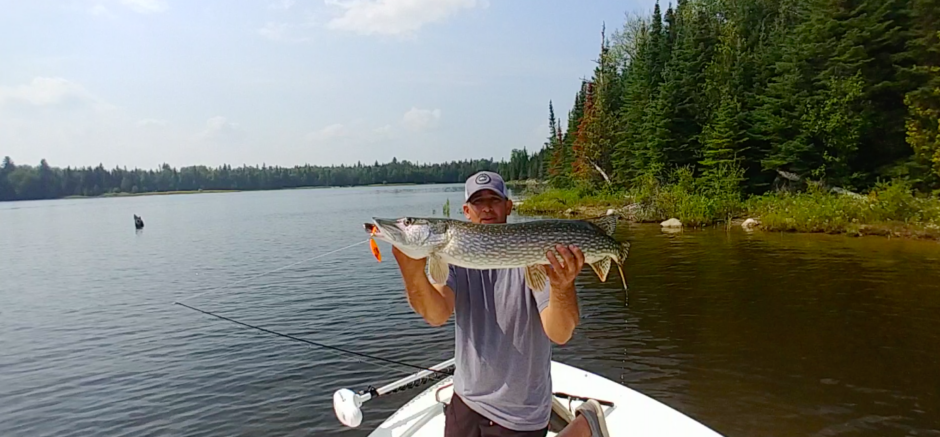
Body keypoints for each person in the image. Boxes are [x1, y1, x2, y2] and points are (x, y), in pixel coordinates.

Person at [390, 170, 585, 437]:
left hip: (521, 411)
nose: (486, 209)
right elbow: (436, 315)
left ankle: (585, 425)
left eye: (493, 200)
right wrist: (411, 273)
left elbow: (560, 332)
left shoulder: (533, 253)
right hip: (467, 399)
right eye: (478, 202)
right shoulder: (454, 256)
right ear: (466, 211)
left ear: (508, 206)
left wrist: (563, 286)